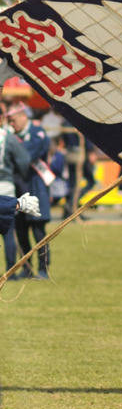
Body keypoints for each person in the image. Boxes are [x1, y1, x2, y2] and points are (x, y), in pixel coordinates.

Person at [8, 102, 52, 279]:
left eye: (13, 120)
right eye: (9, 121)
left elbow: (25, 159)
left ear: (23, 116)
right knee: (21, 231)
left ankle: (44, 269)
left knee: (39, 231)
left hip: (36, 188)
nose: (12, 124)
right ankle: (27, 269)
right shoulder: (12, 136)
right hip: (18, 188)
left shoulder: (37, 134)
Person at [0, 104, 30, 274]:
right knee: (8, 233)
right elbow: (24, 160)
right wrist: (19, 174)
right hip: (6, 187)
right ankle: (10, 272)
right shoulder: (8, 137)